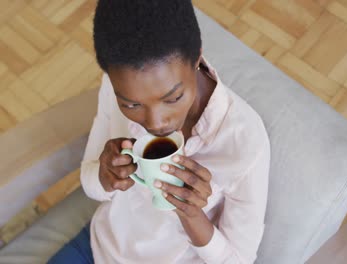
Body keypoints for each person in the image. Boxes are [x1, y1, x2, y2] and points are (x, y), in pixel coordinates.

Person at [48, 0, 270, 263]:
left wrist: (191, 215)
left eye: (173, 98)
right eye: (131, 104)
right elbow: (91, 184)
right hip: (99, 249)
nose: (155, 124)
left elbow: (238, 260)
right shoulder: (114, 85)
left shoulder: (244, 141)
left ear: (197, 58)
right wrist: (105, 174)